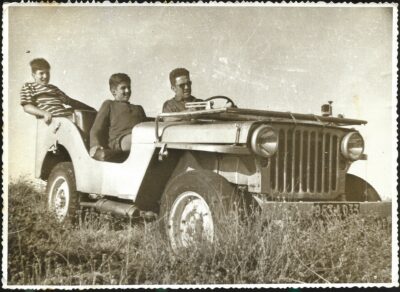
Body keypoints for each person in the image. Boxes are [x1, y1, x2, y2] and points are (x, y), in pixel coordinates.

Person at [89, 73, 146, 160]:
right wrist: (94, 145)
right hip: (119, 141)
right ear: (113, 91)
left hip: (138, 137)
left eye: (129, 87)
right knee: (143, 138)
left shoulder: (138, 108)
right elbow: (96, 128)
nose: (127, 91)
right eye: (123, 88)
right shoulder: (109, 104)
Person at [20, 58, 94, 124]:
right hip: (55, 120)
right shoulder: (29, 86)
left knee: (88, 115)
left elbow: (71, 101)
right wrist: (44, 113)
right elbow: (27, 106)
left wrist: (91, 109)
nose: (45, 76)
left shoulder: (53, 88)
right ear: (34, 75)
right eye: (41, 73)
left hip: (67, 117)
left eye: (47, 73)